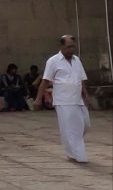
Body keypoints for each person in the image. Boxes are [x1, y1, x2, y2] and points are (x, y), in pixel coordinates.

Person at [36, 35, 91, 163]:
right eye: (68, 47)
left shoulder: (77, 60)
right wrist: (38, 98)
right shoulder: (53, 61)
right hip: (64, 100)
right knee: (73, 128)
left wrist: (86, 95)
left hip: (78, 99)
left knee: (85, 124)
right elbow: (45, 81)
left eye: (73, 46)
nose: (71, 49)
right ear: (61, 47)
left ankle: (71, 150)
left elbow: (81, 79)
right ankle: (79, 156)